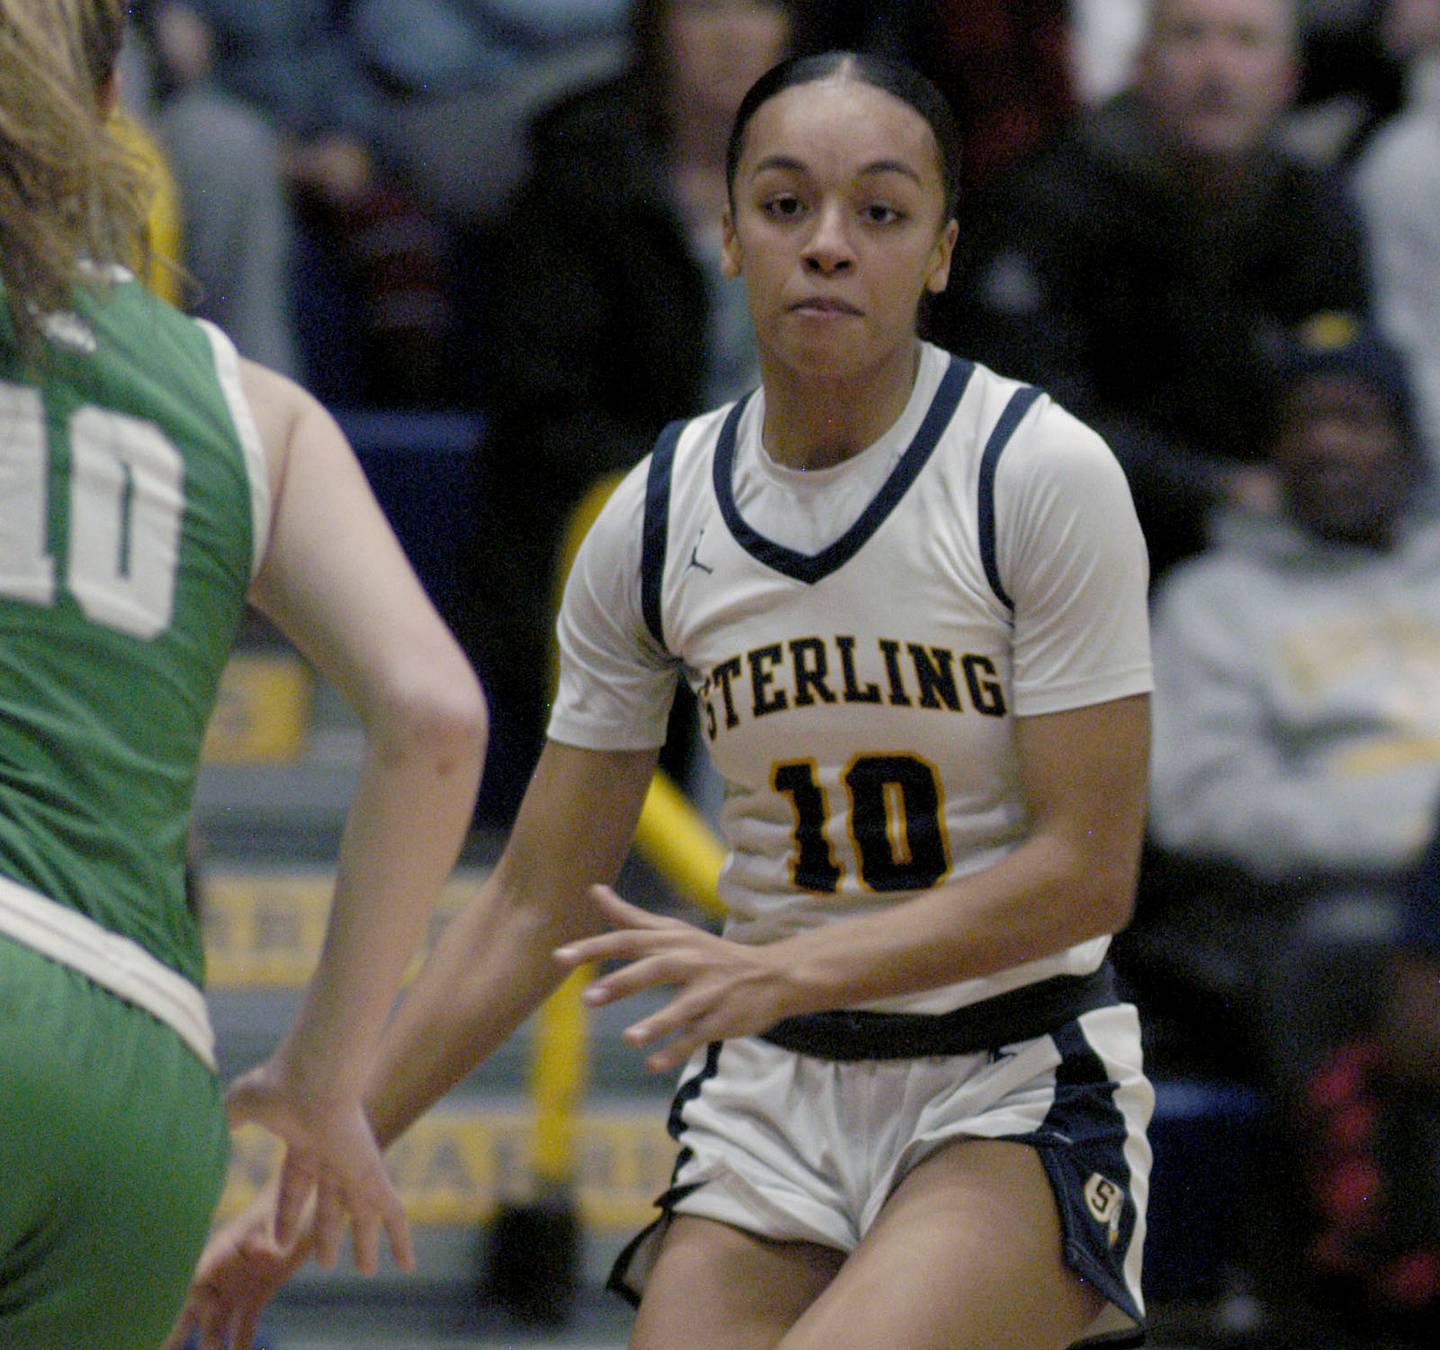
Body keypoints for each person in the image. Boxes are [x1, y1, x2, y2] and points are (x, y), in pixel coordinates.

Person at [169, 50, 1154, 1350]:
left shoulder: (1039, 474)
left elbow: (1086, 871)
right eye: (787, 203)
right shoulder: (657, 510)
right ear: (729, 231)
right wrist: (338, 1135)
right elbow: (536, 896)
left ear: (942, 252)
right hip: (778, 1094)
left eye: (880, 210)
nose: (827, 245)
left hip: (1011, 1076)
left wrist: (785, 957)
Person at [0, 3, 488, 1346]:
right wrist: (327, 1075)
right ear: (115, 120)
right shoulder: (247, 401)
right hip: (142, 1074)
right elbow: (438, 716)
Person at [1113, 311, 1440, 1332]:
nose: (1330, 443)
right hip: (1307, 905)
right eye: (1306, 420)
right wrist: (1413, 837)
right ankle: (1383, 1260)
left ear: (1407, 442)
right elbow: (1203, 803)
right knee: (1352, 953)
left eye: (1357, 417)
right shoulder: (1215, 601)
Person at [456, 0, 809, 822]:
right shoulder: (582, 170)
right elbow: (543, 415)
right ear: (657, 27)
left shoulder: (844, 182)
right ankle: (719, 908)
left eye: (756, 8)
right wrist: (714, 495)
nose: (731, 37)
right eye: (704, 9)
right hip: (621, 527)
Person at [930, 0, 1372, 586]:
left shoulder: (1319, 210)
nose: (1217, 70)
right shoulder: (1044, 205)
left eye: (1246, 41)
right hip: (1067, 549)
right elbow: (1013, 415)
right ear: (1140, 66)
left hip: (1278, 542)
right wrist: (1211, 488)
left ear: (1289, 78)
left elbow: (1353, 378)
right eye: (1190, 37)